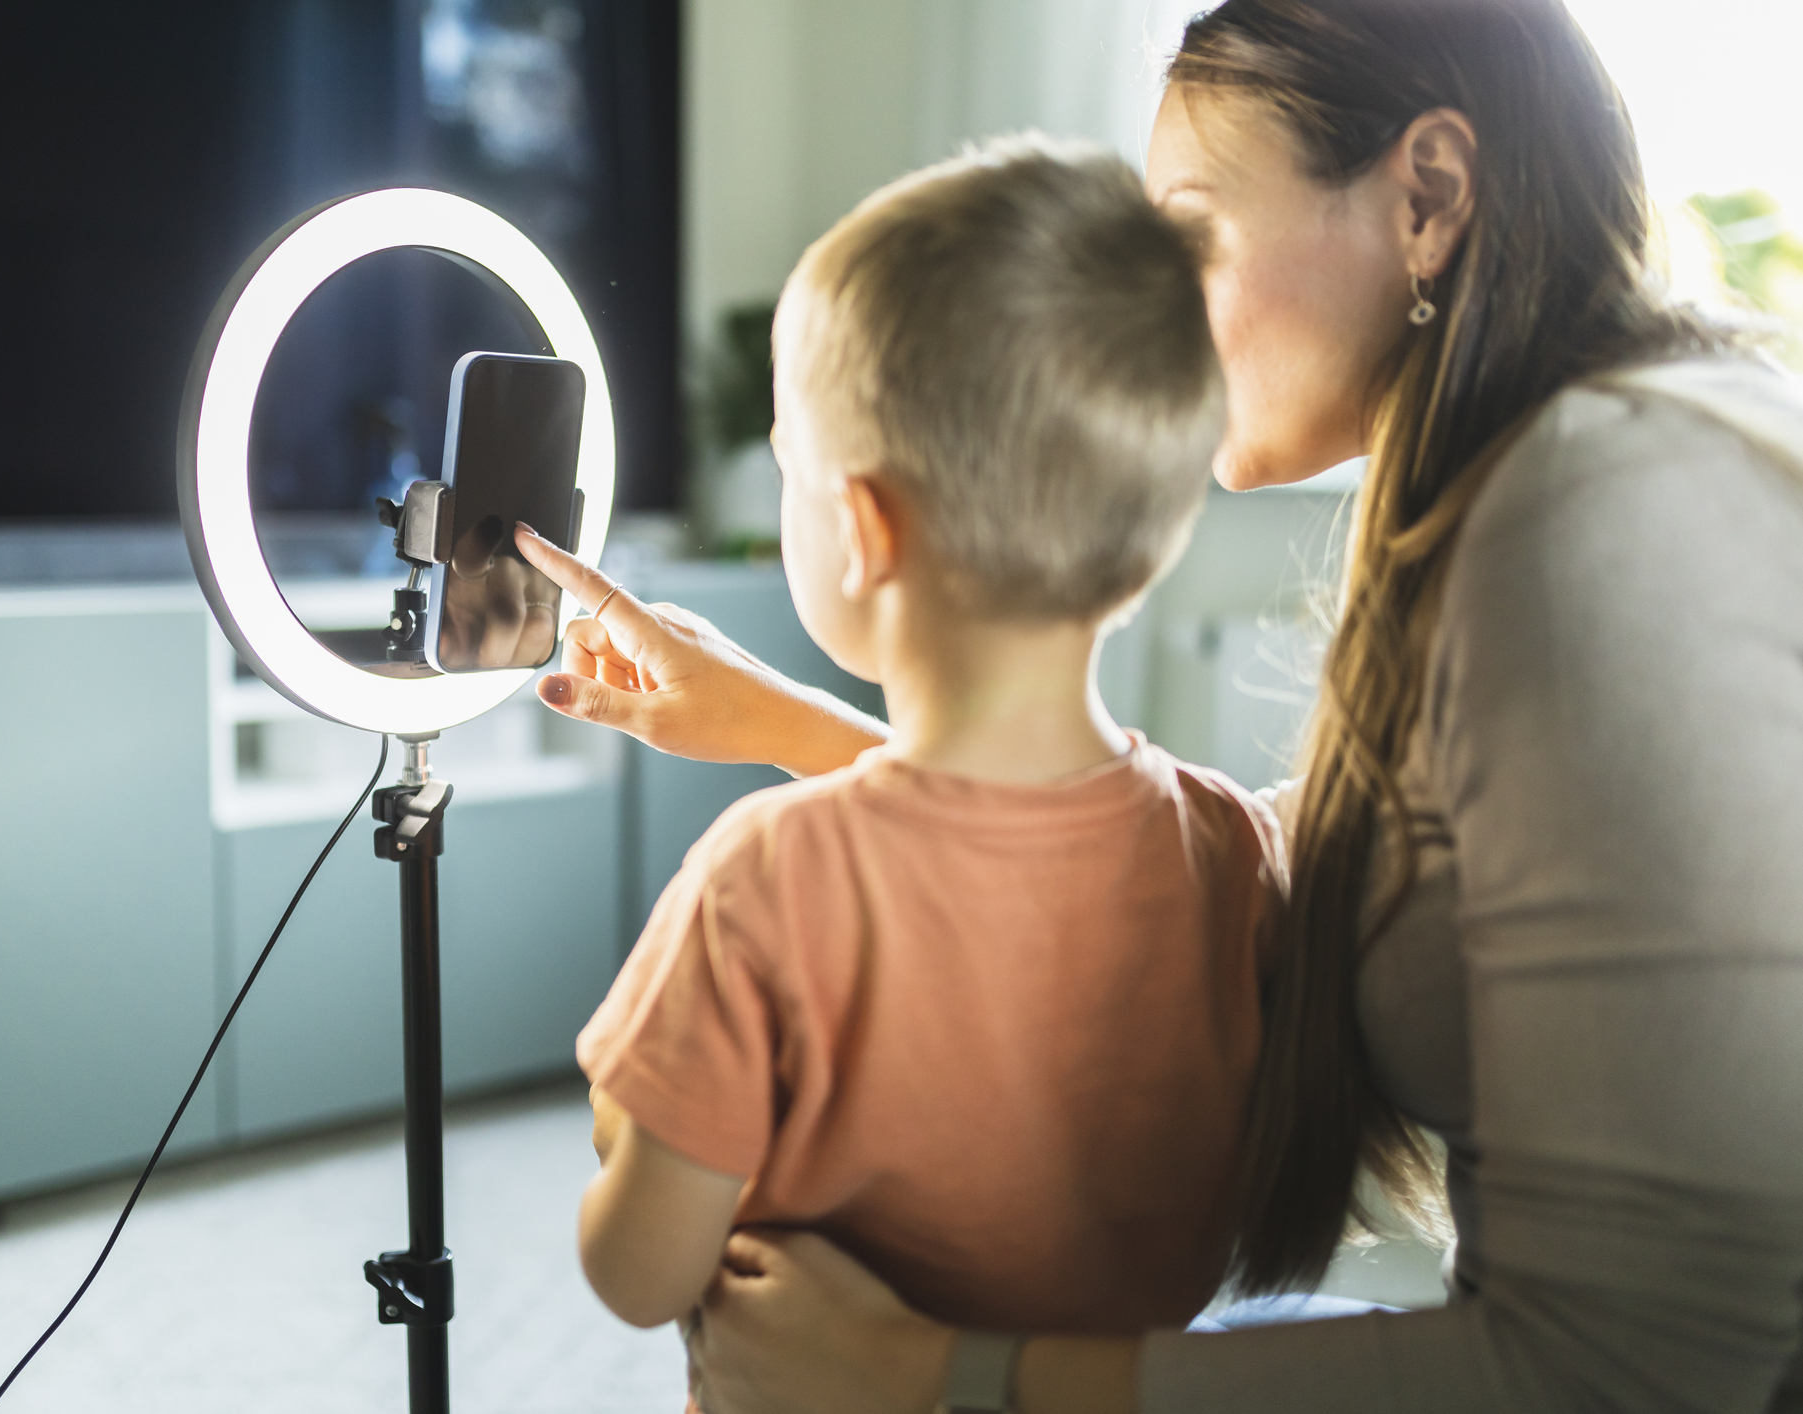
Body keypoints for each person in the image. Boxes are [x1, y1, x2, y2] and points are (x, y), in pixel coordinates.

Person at [515, 0, 1803, 1408]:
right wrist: (778, 720)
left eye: (1184, 236)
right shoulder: (1533, 497)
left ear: (1426, 197)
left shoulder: (1604, 517)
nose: (1147, 314)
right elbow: (1219, 880)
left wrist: (939, 1371)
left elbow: (1644, 1365)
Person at [569, 139, 1284, 1363]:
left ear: (860, 531)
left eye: (789, 462)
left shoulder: (764, 882)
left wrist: (626, 1119)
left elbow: (638, 1272)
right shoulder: (1227, 844)